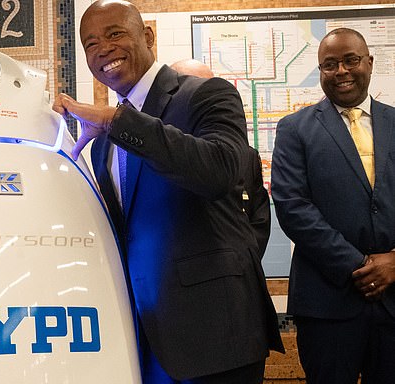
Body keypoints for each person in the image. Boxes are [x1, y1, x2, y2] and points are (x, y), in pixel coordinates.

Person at [52, 1, 284, 382]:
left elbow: (220, 172)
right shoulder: (103, 145)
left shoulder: (206, 94)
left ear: (148, 37)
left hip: (216, 339)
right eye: (90, 44)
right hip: (145, 341)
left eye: (115, 34)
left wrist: (117, 119)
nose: (103, 49)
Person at [271, 27, 395, 383]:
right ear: (321, 71)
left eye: (350, 60)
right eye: (329, 64)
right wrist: (361, 266)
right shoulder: (295, 129)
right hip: (327, 303)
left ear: (369, 62)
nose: (341, 71)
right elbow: (294, 208)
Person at [170, 59, 271, 258]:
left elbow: (259, 219)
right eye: (194, 87)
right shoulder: (163, 153)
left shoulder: (245, 156)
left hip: (237, 271)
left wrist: (240, 262)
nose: (206, 96)